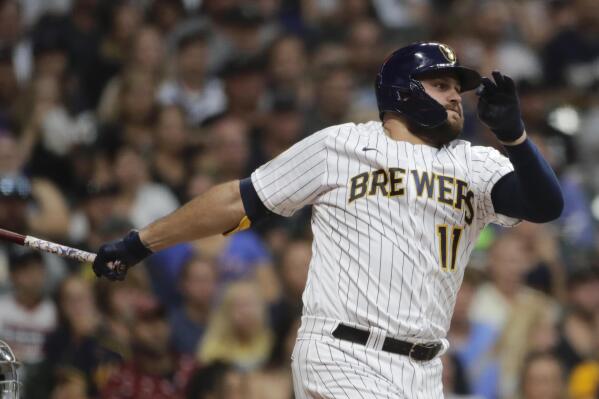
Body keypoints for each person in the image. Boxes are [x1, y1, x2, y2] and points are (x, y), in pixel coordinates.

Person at [92, 42, 564, 397]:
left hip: (424, 370)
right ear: (402, 90)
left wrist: (516, 137)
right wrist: (140, 242)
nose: (456, 96)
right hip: (342, 353)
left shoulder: (475, 163)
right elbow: (239, 200)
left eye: (457, 88)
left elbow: (545, 206)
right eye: (441, 84)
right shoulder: (341, 145)